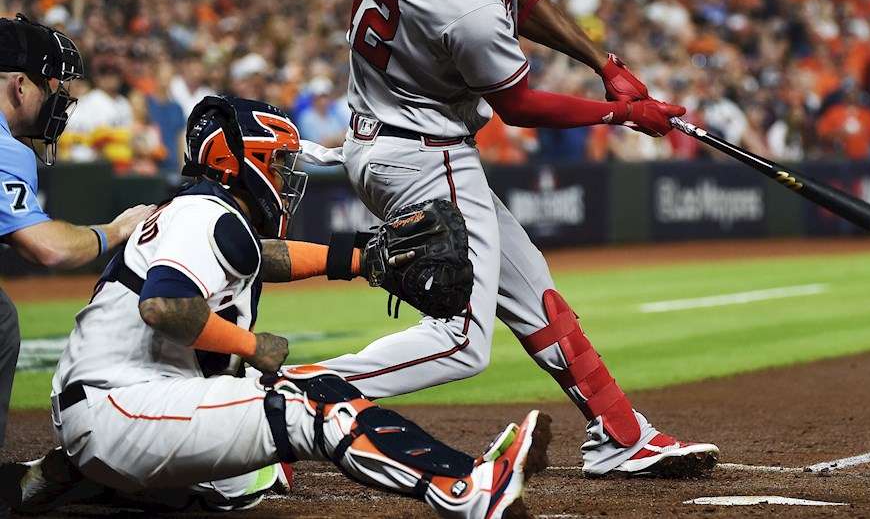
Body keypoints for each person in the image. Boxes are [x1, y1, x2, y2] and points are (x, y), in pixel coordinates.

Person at [327, 0, 717, 477]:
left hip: (389, 140)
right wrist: (623, 114)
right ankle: (294, 394)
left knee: (535, 292)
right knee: (461, 344)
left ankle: (621, 435)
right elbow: (522, 107)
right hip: (426, 157)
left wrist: (604, 64)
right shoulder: (466, 9)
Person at [1, 96, 549, 518]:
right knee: (314, 403)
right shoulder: (201, 215)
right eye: (280, 162)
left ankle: (54, 479)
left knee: (247, 485)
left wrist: (358, 258)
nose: (288, 177)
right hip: (122, 408)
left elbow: (260, 257)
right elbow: (165, 306)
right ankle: (467, 489)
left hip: (118, 408)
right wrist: (251, 346)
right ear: (244, 163)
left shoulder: (202, 213)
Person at [0, 15, 154, 452]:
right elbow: (45, 248)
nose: (57, 100)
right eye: (51, 86)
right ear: (20, 86)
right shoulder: (6, 147)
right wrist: (117, 229)